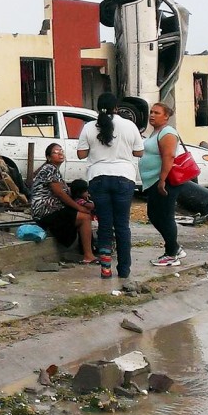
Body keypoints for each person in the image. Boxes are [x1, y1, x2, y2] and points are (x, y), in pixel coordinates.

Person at [77, 93, 145, 279]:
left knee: (105, 224)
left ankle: (105, 269)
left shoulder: (89, 127)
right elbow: (139, 151)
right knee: (122, 225)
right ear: (117, 108)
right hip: (124, 177)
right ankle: (124, 270)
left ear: (98, 107)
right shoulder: (129, 125)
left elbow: (81, 154)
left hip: (98, 178)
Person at [28, 145, 96, 263]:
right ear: (48, 157)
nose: (60, 153)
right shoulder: (49, 168)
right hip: (46, 212)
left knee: (83, 214)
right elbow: (59, 193)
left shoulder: (55, 171)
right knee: (85, 217)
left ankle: (87, 251)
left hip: (53, 210)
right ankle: (88, 255)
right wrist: (79, 207)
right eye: (56, 152)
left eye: (61, 151)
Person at [140, 102, 187, 267]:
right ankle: (175, 247)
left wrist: (162, 180)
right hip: (153, 181)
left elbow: (169, 157)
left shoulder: (167, 132)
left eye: (157, 113)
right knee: (154, 215)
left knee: (164, 216)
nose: (152, 115)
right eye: (151, 112)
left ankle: (171, 253)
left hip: (164, 181)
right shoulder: (155, 132)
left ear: (166, 116)